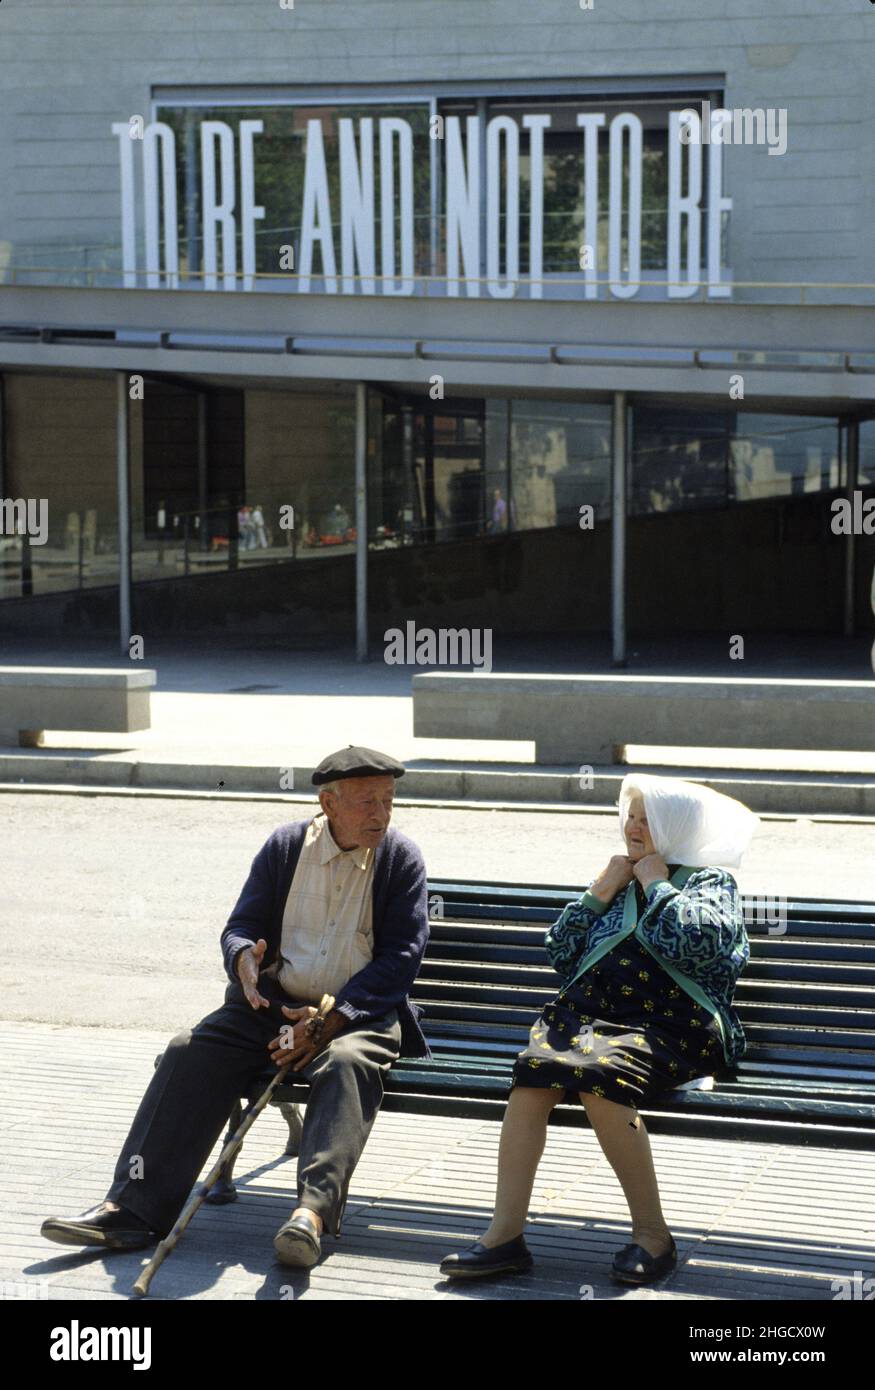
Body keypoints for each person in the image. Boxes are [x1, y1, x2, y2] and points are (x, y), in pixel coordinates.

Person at [41, 746, 430, 1269]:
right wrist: (243, 958)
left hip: (354, 1016)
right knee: (189, 1051)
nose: (381, 815)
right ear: (328, 803)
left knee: (345, 1065)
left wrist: (326, 1025)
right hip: (272, 1008)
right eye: (366, 803)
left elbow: (401, 960)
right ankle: (131, 1209)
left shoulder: (400, 859)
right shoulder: (286, 846)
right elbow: (241, 926)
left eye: (388, 801)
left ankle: (310, 1216)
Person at [439, 773, 759, 1286]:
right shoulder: (619, 879)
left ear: (676, 826)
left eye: (647, 818)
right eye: (629, 815)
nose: (632, 826)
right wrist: (600, 889)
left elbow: (698, 944)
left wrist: (656, 883)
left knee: (601, 1083)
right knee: (532, 1078)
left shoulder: (708, 882)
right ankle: (504, 1237)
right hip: (592, 1021)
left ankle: (653, 1237)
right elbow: (562, 955)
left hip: (673, 1025)